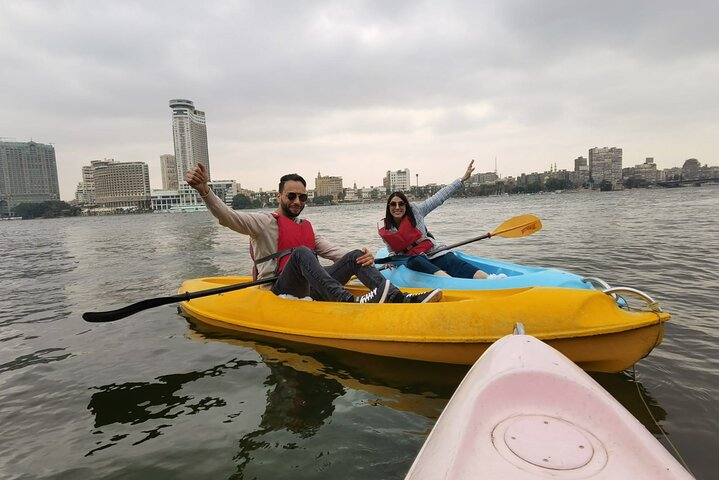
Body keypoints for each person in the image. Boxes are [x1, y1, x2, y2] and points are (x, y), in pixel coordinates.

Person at [185, 163, 442, 304]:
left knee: (353, 254)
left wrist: (365, 256)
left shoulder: (305, 227)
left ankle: (398, 297)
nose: (297, 201)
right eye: (292, 196)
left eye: (302, 197)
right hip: (280, 289)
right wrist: (205, 191)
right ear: (280, 196)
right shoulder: (263, 222)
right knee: (301, 253)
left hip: (312, 288)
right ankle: (348, 303)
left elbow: (335, 252)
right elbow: (228, 217)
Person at [378, 160, 503, 279]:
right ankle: (449, 281)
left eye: (401, 204)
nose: (397, 207)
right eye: (393, 204)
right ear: (389, 207)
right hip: (412, 260)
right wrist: (391, 260)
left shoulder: (417, 211)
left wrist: (461, 179)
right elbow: (392, 251)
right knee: (416, 260)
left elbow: (439, 197)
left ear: (406, 205)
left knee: (452, 261)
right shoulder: (387, 228)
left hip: (432, 252)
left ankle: (490, 279)